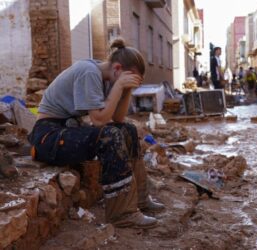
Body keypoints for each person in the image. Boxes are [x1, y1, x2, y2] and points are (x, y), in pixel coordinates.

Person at [28, 38, 164, 229]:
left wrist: (126, 91)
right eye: (129, 77)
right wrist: (118, 87)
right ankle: (122, 214)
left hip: (68, 129)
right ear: (117, 69)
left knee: (128, 130)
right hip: (48, 136)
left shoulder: (107, 77)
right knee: (110, 136)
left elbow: (118, 119)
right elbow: (99, 121)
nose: (129, 82)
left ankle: (140, 199)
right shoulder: (89, 72)